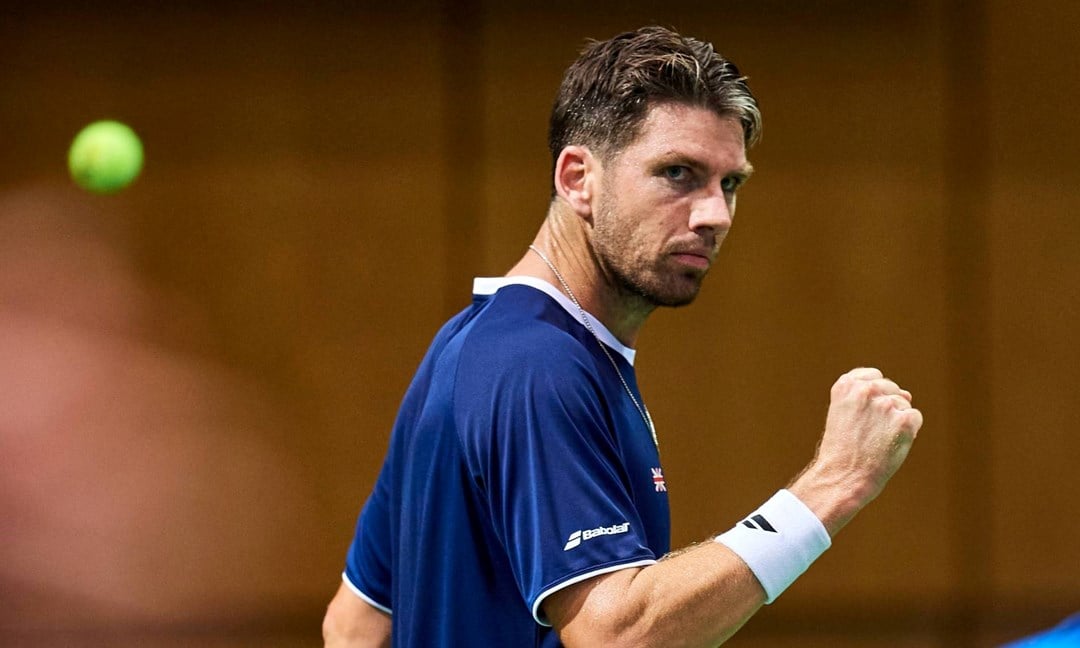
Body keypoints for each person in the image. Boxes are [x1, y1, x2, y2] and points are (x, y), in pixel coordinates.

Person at [323, 25, 923, 647]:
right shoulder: (536, 366)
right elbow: (617, 635)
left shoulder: (467, 344)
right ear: (577, 177)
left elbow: (354, 626)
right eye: (678, 173)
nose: (715, 214)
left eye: (730, 183)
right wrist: (833, 483)